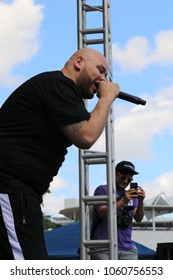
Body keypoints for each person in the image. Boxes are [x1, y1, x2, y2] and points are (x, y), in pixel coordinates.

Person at [0, 48, 120, 260]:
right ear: (79, 62)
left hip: (17, 191)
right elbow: (86, 136)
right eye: (100, 70)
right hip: (10, 187)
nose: (103, 79)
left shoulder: (60, 90)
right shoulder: (59, 84)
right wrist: (107, 98)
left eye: (106, 76)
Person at [91, 160, 145, 260]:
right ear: (115, 174)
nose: (125, 181)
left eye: (129, 180)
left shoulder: (132, 195)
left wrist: (141, 201)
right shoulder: (102, 189)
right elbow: (103, 213)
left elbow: (138, 218)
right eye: (123, 177)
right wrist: (123, 201)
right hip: (103, 246)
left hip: (127, 248)